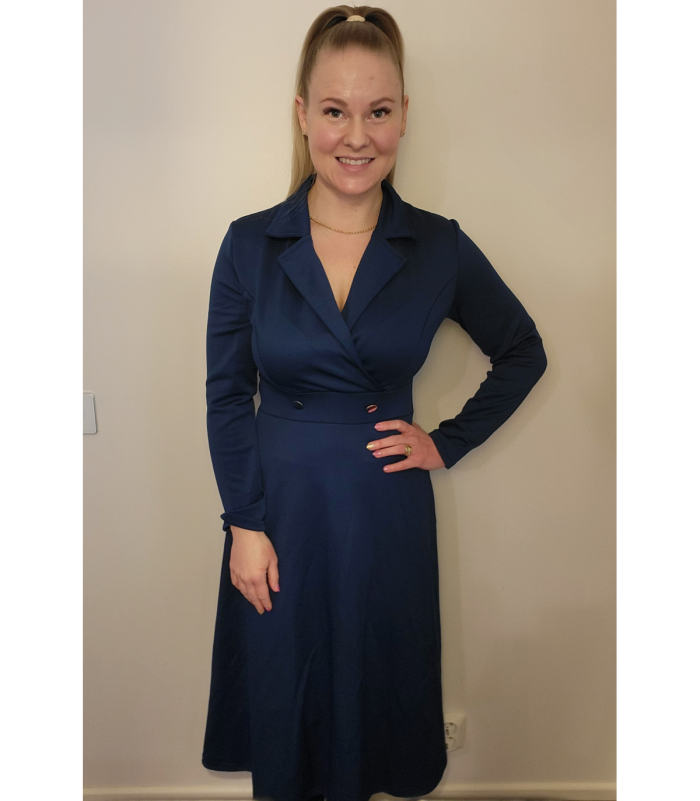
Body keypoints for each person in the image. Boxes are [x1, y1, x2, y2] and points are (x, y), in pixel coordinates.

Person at [202, 6, 547, 801]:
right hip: (278, 514)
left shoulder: (437, 245)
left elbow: (522, 350)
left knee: (372, 697)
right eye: (335, 110)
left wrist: (446, 440)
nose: (356, 136)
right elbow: (225, 395)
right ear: (303, 115)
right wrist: (244, 525)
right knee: (289, 698)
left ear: (403, 116)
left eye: (378, 111)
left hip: (384, 515)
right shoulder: (250, 245)